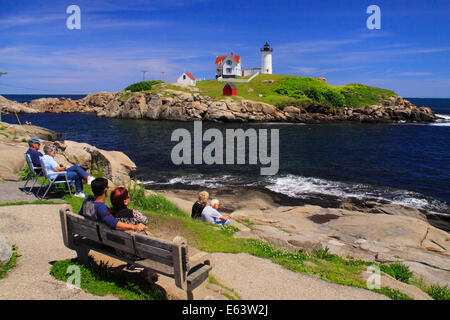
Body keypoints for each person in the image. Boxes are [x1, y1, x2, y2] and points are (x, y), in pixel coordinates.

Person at [110, 186, 158, 283]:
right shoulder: (133, 213)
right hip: (137, 253)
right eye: (128, 196)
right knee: (151, 243)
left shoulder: (110, 216)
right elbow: (145, 220)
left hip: (119, 250)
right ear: (125, 202)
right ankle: (147, 273)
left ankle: (132, 264)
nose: (129, 197)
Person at [78, 178, 147, 233]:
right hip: (100, 240)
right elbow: (114, 223)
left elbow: (79, 215)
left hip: (89, 233)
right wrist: (134, 227)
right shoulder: (102, 208)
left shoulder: (87, 201)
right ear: (106, 190)